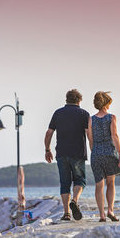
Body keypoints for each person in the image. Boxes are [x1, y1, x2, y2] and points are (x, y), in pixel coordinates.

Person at [86, 91, 120, 222]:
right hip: (110, 153)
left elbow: (90, 139)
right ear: (106, 103)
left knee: (99, 184)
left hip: (96, 153)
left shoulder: (90, 119)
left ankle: (101, 215)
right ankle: (110, 211)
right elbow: (114, 136)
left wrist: (94, 151)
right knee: (111, 183)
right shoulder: (111, 117)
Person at [44, 89, 89, 221]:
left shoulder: (58, 113)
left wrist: (47, 150)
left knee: (64, 183)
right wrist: (93, 148)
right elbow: (89, 134)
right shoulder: (83, 114)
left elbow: (48, 133)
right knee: (80, 180)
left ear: (66, 99)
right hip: (78, 153)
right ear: (79, 100)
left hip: (62, 153)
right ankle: (75, 200)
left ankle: (66, 213)